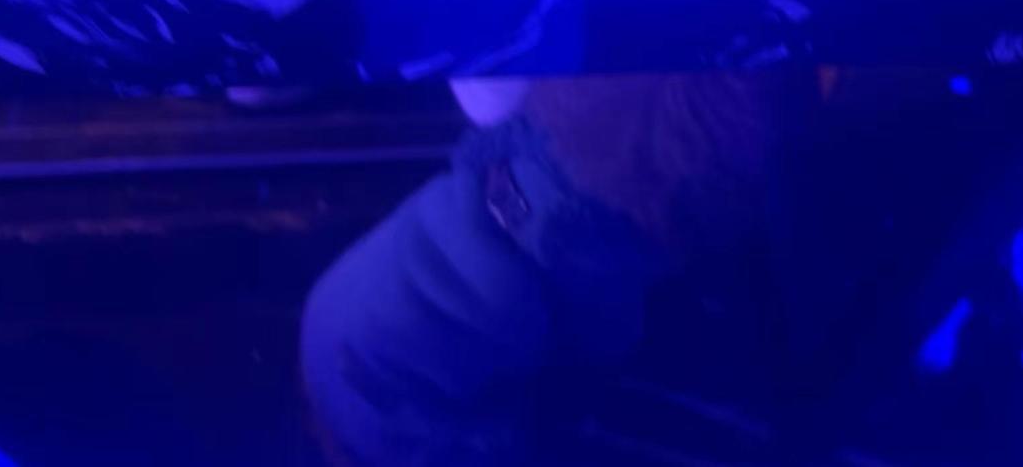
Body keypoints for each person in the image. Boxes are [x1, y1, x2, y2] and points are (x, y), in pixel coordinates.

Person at [300, 69, 812, 466]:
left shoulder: (556, 123)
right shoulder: (606, 238)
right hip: (392, 401)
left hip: (347, 318)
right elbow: (599, 348)